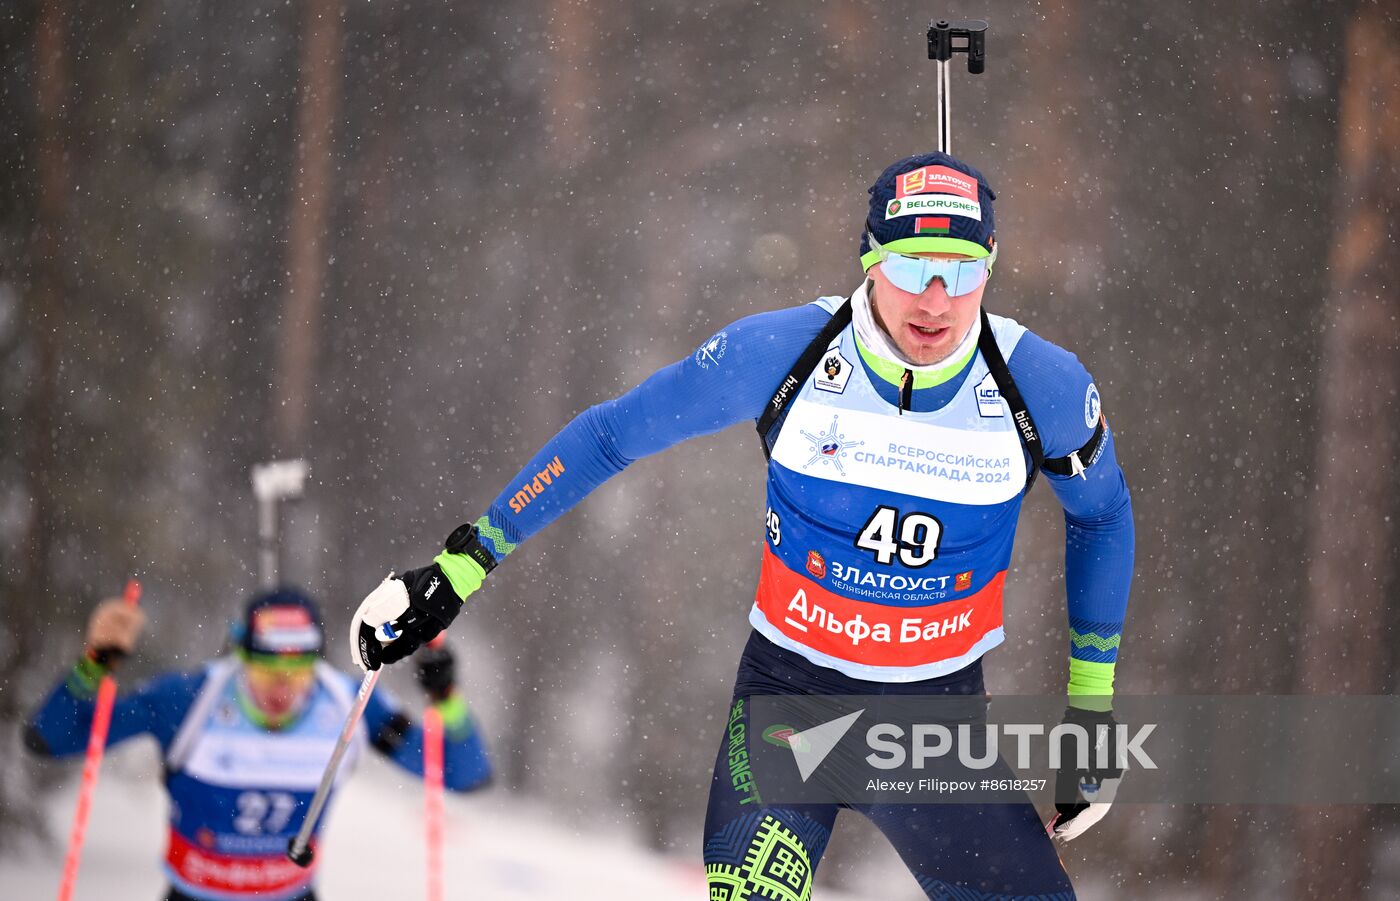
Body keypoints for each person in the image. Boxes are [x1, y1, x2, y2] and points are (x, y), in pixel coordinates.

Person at [348, 151, 1133, 898]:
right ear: (868, 259)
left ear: (991, 265)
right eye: (908, 267)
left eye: (962, 271)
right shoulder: (781, 353)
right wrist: (460, 566)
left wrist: (1091, 715)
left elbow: (1102, 515)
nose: (935, 299)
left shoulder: (1041, 386)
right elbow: (610, 434)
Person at [26, 587, 492, 901]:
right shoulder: (189, 700)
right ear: (241, 655)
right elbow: (51, 738)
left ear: (318, 663)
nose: (282, 687)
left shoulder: (348, 705)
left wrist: (446, 697)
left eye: (297, 670)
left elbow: (464, 773)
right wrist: (95, 663)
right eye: (268, 669)